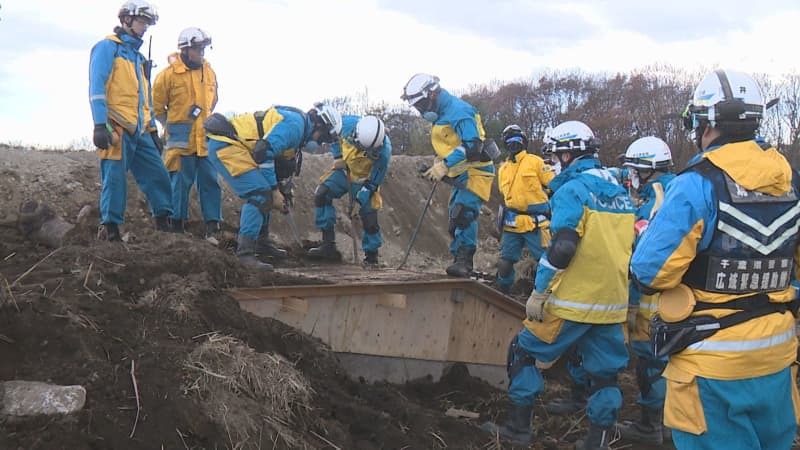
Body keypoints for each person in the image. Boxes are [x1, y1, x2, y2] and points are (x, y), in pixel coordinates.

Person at [630, 70, 800, 450]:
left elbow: (648, 273)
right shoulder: (791, 181)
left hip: (711, 365)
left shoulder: (696, 183)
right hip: (777, 359)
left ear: (703, 122)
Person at [481, 120, 635, 449]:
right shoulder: (620, 193)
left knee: (522, 352)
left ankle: (518, 429)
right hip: (613, 303)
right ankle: (599, 441)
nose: (554, 160)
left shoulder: (572, 190)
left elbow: (563, 246)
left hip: (573, 301)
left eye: (557, 154)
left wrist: (540, 289)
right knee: (605, 373)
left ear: (567, 153)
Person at [203, 103, 342, 269]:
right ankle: (244, 254)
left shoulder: (300, 128)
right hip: (226, 145)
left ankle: (261, 243)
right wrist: (274, 191)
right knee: (260, 194)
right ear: (318, 125)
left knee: (266, 190)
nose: (319, 143)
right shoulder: (295, 127)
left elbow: (274, 159)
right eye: (322, 138)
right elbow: (263, 151)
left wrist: (281, 190)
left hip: (238, 147)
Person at [88, 0, 173, 241]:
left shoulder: (137, 58)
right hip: (116, 126)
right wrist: (99, 124)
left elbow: (144, 98)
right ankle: (111, 229)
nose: (145, 27)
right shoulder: (107, 48)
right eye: (142, 21)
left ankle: (164, 224)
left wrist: (152, 129)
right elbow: (96, 87)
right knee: (114, 179)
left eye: (147, 22)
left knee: (158, 175)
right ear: (126, 20)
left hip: (141, 130)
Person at [401, 73, 496, 277]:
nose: (421, 111)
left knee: (464, 213)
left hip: (475, 171)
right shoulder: (442, 113)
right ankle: (457, 259)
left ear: (432, 94)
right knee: (455, 219)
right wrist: (440, 161)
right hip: (460, 172)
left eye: (421, 105)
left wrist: (445, 164)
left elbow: (472, 146)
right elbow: (452, 144)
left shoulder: (459, 111)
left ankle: (465, 262)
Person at [615, 136, 676, 445]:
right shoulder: (676, 187)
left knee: (651, 359)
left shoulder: (656, 197)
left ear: (647, 169)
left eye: (633, 170)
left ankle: (651, 424)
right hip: (674, 295)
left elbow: (645, 250)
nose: (630, 177)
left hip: (654, 297)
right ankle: (667, 422)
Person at [152, 27, 222, 242]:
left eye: (203, 49)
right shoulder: (168, 75)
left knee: (211, 181)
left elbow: (214, 99)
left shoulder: (209, 72)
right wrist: (171, 126)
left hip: (205, 139)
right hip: (180, 139)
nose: (202, 53)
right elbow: (156, 107)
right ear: (185, 49)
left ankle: (213, 226)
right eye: (198, 49)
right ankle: (176, 226)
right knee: (179, 182)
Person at [307, 115, 392, 265]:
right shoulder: (345, 124)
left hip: (364, 180)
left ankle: (371, 257)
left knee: (369, 217)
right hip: (345, 170)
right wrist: (338, 156)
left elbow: (373, 182)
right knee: (322, 194)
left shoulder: (384, 153)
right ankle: (328, 245)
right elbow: (332, 136)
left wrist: (360, 200)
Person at [495, 124, 555, 294]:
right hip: (511, 223)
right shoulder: (503, 169)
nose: (514, 144)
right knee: (505, 263)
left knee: (547, 261)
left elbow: (554, 186)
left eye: (517, 140)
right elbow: (505, 196)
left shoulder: (536, 162)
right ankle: (503, 292)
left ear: (524, 142)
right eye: (510, 141)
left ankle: (548, 294)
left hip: (536, 223)